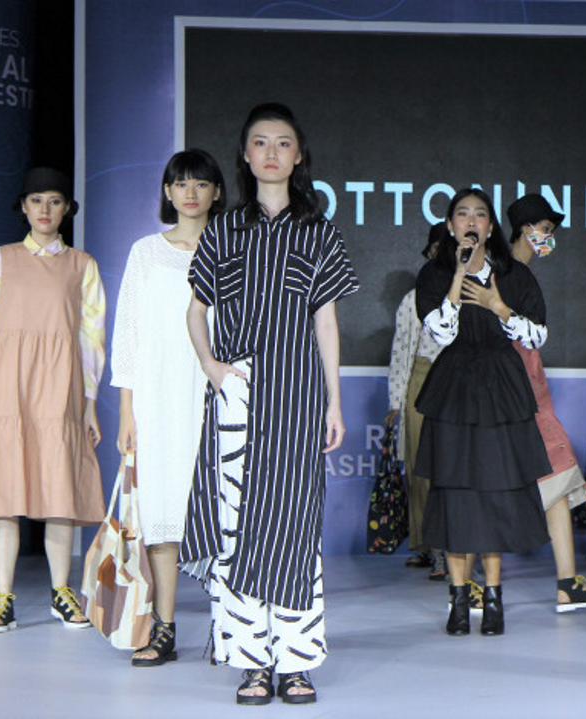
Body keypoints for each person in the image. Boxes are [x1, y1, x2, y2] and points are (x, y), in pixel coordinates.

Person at [180, 103, 358, 705]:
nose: (272, 152)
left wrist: (334, 403)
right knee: (236, 525)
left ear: (299, 154)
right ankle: (251, 661)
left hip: (299, 393)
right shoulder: (224, 229)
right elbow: (196, 310)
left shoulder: (320, 230)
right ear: (246, 153)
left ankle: (297, 661)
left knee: (295, 524)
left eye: (283, 142)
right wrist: (211, 366)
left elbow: (326, 322)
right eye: (261, 142)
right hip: (239, 394)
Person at [415, 188, 551, 636]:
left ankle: (493, 598)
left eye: (479, 214)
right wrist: (458, 273)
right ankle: (458, 600)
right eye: (462, 214)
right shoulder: (434, 274)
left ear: (491, 227)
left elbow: (537, 335)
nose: (471, 221)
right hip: (454, 388)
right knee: (456, 494)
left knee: (494, 491)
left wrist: (499, 307)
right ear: (451, 225)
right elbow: (439, 332)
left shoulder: (512, 274)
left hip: (500, 387)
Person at [0, 167, 106, 632]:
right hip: (5, 389)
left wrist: (89, 403)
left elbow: (92, 340)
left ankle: (61, 593)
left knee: (59, 494)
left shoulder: (82, 266)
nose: (45, 210)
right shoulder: (0, 260)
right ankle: (2, 600)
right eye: (36, 200)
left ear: (67, 207)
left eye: (54, 201)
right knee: (4, 495)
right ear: (23, 207)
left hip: (59, 388)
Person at [111, 150, 226, 666]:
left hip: (214, 394)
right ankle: (163, 627)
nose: (191, 193)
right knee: (161, 512)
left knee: (222, 511)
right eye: (181, 183)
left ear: (217, 192)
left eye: (201, 183)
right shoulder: (145, 253)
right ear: (167, 192)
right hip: (157, 398)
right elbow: (128, 333)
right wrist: (127, 409)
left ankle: (230, 627)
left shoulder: (232, 250)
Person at [503, 194, 586, 611]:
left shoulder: (520, 274)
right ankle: (466, 586)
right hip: (512, 396)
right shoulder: (504, 273)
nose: (549, 239)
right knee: (513, 479)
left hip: (529, 392)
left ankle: (567, 582)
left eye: (551, 232)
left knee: (556, 477)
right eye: (546, 230)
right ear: (525, 228)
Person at [385, 223, 445, 580]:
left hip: (457, 382)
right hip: (421, 382)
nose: (441, 254)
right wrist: (396, 401)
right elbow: (401, 349)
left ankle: (450, 548)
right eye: (436, 248)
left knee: (449, 470)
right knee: (420, 469)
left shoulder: (471, 294)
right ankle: (427, 546)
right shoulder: (413, 298)